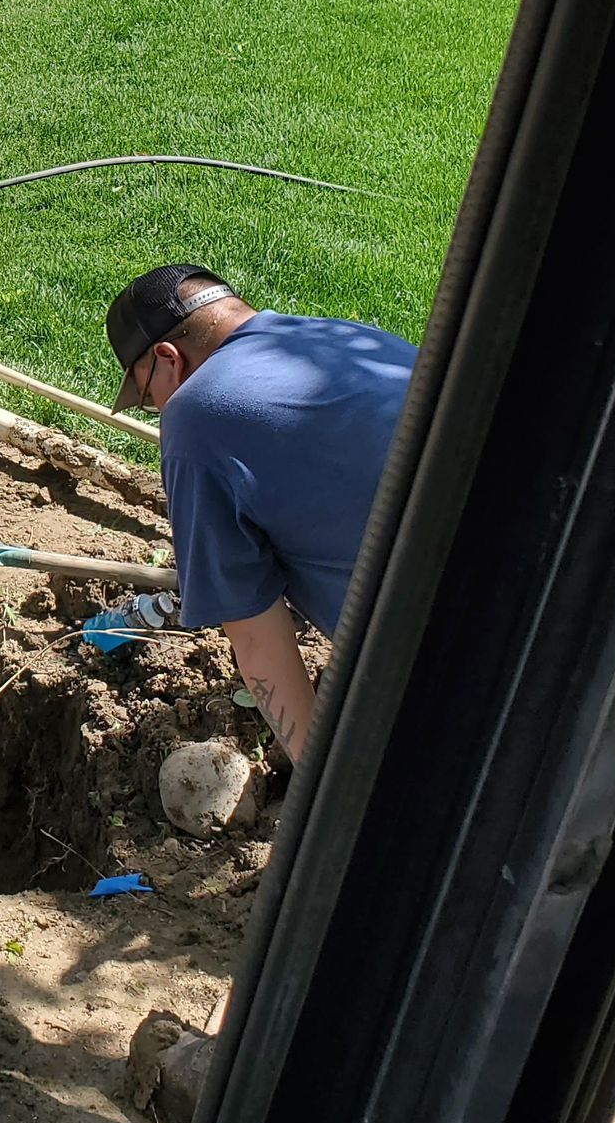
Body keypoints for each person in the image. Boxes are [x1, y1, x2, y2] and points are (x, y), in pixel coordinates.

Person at [104, 263, 416, 764]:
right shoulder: (350, 337)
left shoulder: (193, 417)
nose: (159, 409)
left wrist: (319, 790)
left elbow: (254, 635)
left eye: (146, 397)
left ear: (168, 358)